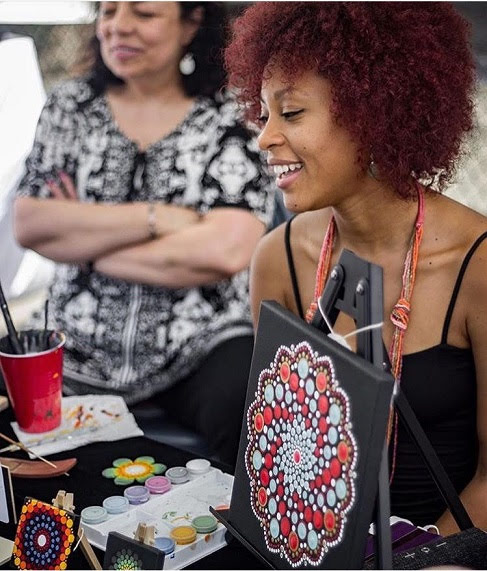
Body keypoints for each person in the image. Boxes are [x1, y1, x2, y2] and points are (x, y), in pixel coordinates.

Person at [225, 2, 487, 533]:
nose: (265, 137)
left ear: (373, 117)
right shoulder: (278, 258)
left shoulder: (476, 264)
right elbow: (277, 450)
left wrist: (419, 561)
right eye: (264, 113)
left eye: (291, 113)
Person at [13, 1, 275, 467]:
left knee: (258, 412)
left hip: (201, 343)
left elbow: (226, 250)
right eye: (109, 11)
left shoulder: (232, 115)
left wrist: (83, 245)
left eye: (144, 13)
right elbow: (30, 224)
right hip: (75, 342)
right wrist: (157, 218)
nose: (119, 27)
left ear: (191, 23)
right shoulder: (71, 106)